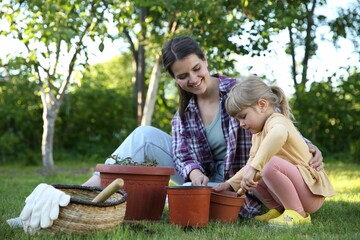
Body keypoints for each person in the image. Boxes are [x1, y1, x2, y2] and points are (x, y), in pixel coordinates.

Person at [8, 36, 325, 231]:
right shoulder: (184, 111)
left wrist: (309, 148)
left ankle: (80, 201)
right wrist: (193, 170)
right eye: (182, 76)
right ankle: (81, 196)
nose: (193, 79)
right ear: (175, 78)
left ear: (205, 61)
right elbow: (184, 152)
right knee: (144, 133)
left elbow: (274, 121)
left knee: (206, 193)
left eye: (196, 69)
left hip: (233, 182)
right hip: (203, 179)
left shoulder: (237, 92)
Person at [213, 76, 335, 227]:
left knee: (266, 164)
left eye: (243, 117)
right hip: (298, 192)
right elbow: (251, 164)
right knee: (252, 174)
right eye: (238, 120)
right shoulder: (258, 134)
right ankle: (278, 210)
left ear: (262, 105)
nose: (241, 124)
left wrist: (254, 167)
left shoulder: (277, 120)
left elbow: (279, 134)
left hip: (311, 193)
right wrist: (230, 184)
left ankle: (298, 214)